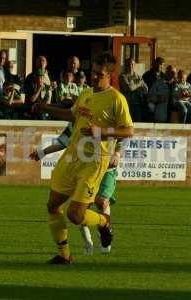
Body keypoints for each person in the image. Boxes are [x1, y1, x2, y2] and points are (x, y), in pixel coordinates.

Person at [32, 53, 133, 264]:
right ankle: (65, 255)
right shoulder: (86, 93)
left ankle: (104, 222)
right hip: (72, 157)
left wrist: (103, 133)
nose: (94, 77)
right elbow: (73, 114)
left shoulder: (117, 99)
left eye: (100, 74)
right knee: (52, 205)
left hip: (94, 162)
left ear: (110, 74)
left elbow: (128, 131)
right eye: (93, 73)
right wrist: (46, 109)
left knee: (75, 215)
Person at [30, 123, 121, 254]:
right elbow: (63, 142)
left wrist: (117, 154)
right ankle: (87, 242)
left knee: (102, 201)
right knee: (80, 208)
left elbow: (124, 135)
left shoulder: (110, 114)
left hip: (106, 168)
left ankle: (105, 230)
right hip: (82, 169)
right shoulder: (77, 119)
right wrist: (43, 152)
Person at [119, 58, 148, 122]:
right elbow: (130, 88)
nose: (130, 66)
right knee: (127, 123)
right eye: (128, 64)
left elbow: (146, 90)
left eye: (132, 64)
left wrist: (140, 87)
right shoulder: (123, 76)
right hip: (127, 104)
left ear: (135, 65)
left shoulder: (138, 76)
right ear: (125, 65)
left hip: (137, 105)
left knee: (138, 124)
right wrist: (139, 84)